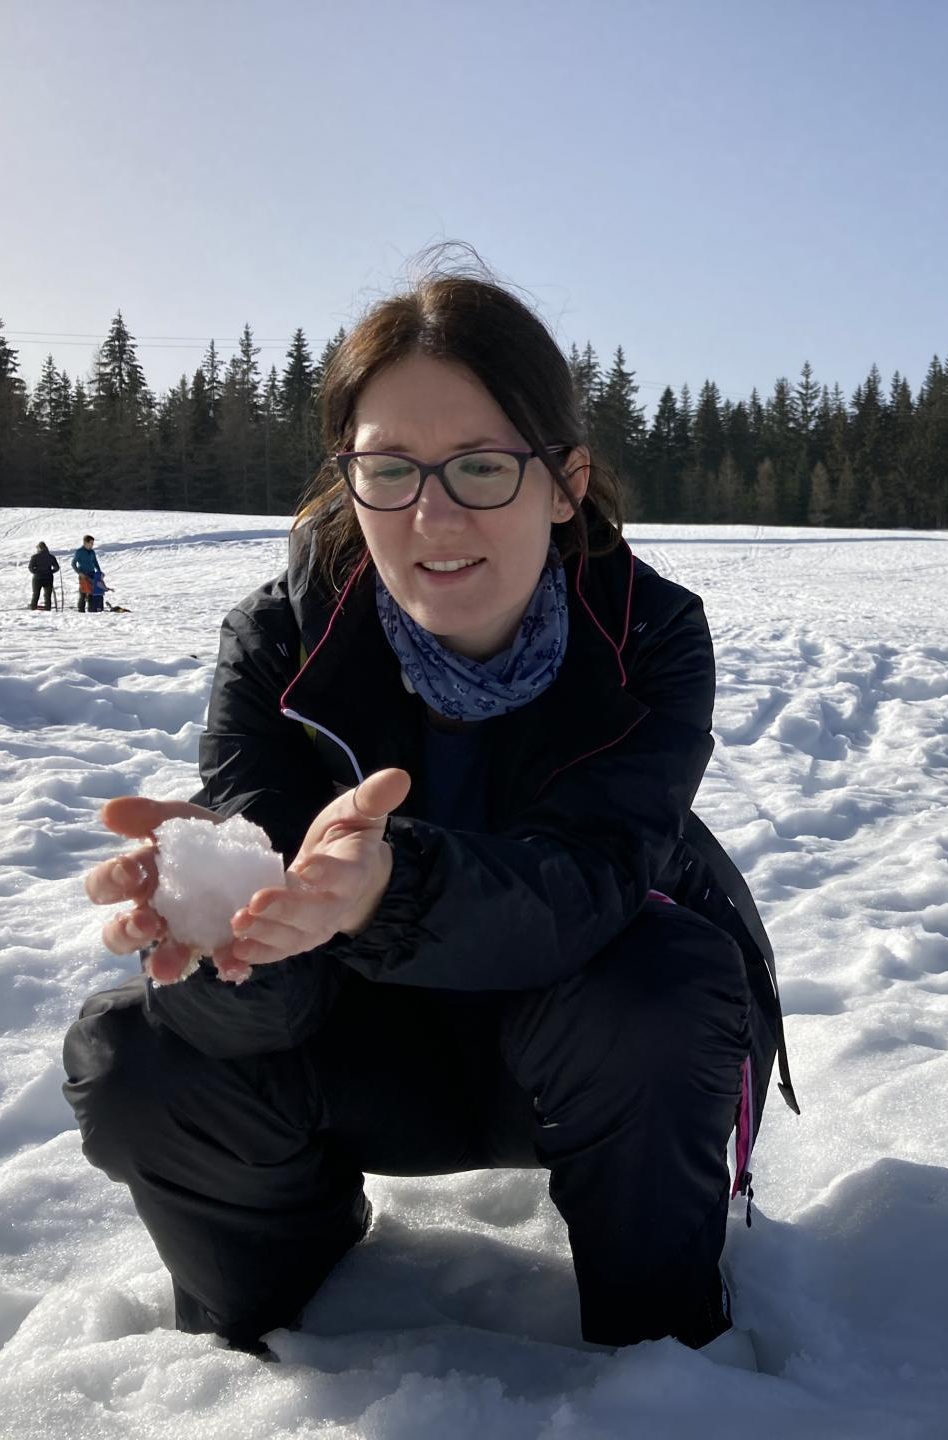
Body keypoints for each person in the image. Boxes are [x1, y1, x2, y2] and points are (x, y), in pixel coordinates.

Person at [62, 263, 795, 1361]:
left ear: (566, 484)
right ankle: (260, 1333)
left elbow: (591, 882)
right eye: (390, 468)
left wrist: (389, 888)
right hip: (358, 1048)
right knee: (138, 1058)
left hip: (581, 1043)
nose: (432, 513)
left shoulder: (649, 640)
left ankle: (661, 1365)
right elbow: (260, 1003)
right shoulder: (280, 643)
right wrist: (225, 923)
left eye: (483, 467)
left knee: (666, 985)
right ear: (348, 480)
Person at [73, 535, 104, 612]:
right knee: (83, 593)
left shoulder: (92, 552)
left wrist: (99, 571)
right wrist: (79, 572)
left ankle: (91, 610)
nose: (92, 545)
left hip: (92, 574)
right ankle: (81, 610)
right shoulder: (79, 552)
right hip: (83, 575)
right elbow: (73, 563)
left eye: (93, 543)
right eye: (91, 543)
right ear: (85, 542)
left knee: (92, 593)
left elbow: (95, 562)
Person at [29, 542, 60, 610]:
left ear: (39, 548)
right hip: (48, 577)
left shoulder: (35, 557)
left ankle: (33, 607)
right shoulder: (51, 556)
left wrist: (36, 572)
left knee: (36, 594)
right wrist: (51, 572)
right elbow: (57, 567)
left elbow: (30, 568)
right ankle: (47, 608)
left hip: (37, 578)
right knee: (47, 595)